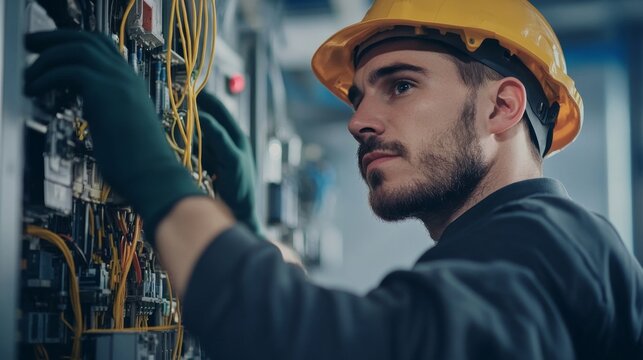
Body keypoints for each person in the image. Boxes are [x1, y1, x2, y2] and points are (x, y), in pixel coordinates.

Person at [24, 0, 643, 358]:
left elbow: (331, 343)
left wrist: (157, 178)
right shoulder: (542, 246)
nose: (359, 121)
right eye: (358, 96)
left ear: (502, 108)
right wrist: (245, 228)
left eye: (401, 84)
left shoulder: (546, 245)